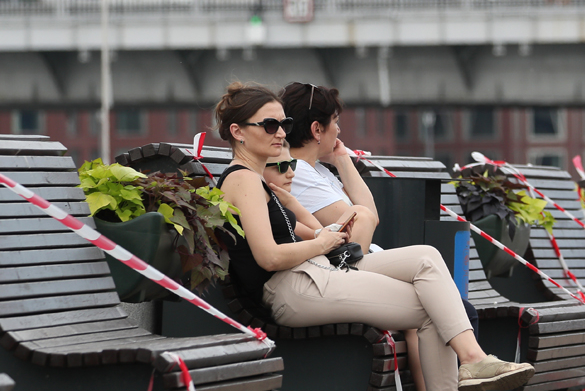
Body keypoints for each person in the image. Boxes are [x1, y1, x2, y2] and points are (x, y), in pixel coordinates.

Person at [214, 81, 534, 391]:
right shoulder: (242, 179)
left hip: (312, 273)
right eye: (270, 125)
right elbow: (268, 257)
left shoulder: (258, 181)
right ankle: (473, 360)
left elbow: (295, 234)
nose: (281, 132)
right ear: (238, 131)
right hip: (291, 288)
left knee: (426, 257)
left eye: (283, 122)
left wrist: (321, 231)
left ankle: (473, 359)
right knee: (436, 309)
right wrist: (321, 243)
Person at [279, 81, 480, 391]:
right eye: (336, 124)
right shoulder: (298, 172)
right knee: (442, 299)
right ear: (317, 129)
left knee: (446, 305)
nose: (339, 133)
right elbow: (359, 229)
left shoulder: (318, 170)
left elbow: (368, 213)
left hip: (354, 264)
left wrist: (343, 161)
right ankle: (473, 363)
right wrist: (363, 216)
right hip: (341, 269)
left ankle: (472, 364)